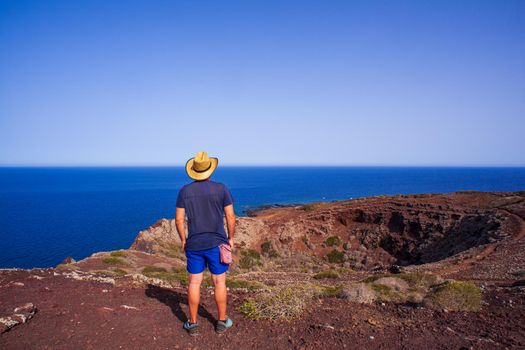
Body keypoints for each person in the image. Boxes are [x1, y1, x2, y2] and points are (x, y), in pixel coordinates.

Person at [175, 151, 236, 336]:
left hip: (194, 244)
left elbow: (178, 220)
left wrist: (184, 240)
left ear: (194, 170)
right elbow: (231, 217)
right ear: (210, 169)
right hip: (217, 243)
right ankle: (221, 322)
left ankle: (192, 324)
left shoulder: (185, 191)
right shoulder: (221, 188)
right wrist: (231, 238)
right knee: (219, 282)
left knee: (194, 283)